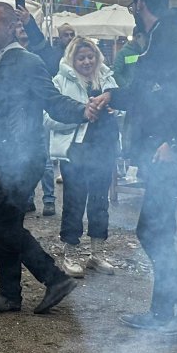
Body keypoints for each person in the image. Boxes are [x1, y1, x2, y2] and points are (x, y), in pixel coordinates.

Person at [0, 1, 91, 315]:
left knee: (5, 227)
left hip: (26, 156)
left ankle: (54, 278)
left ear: (10, 28)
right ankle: (9, 294)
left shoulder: (29, 62)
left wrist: (83, 111)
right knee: (1, 226)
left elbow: (53, 101)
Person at [102, 0, 177, 333]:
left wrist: (176, 142)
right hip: (162, 150)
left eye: (133, 4)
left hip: (171, 152)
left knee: (150, 230)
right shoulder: (164, 37)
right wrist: (110, 96)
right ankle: (163, 313)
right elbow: (147, 94)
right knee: (159, 231)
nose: (133, 10)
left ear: (140, 3)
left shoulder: (173, 39)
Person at [46, 35, 119, 277]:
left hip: (104, 147)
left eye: (91, 57)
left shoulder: (107, 79)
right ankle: (70, 254)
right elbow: (47, 118)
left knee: (100, 202)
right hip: (77, 151)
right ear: (72, 58)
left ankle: (97, 253)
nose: (87, 62)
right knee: (74, 203)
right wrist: (81, 114)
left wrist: (114, 110)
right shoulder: (60, 81)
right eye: (81, 57)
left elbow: (122, 110)